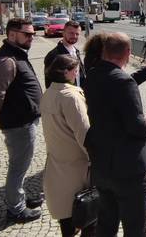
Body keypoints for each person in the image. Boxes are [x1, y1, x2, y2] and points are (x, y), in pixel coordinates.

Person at [83, 33, 146, 236]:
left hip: (101, 164)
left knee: (106, 223)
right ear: (128, 53)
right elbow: (136, 127)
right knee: (134, 227)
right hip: (127, 170)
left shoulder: (93, 75)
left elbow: (120, 84)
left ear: (104, 51)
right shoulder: (122, 82)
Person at [0, 18, 44, 223]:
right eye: (27, 34)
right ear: (11, 34)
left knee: (22, 165)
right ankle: (16, 209)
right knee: (18, 167)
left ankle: (20, 199)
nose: (31, 38)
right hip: (19, 124)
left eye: (32, 34)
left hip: (24, 120)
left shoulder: (16, 54)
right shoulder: (7, 60)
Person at [40, 55, 95, 237]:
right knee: (87, 216)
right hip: (77, 167)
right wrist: (96, 159)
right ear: (65, 72)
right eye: (75, 69)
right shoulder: (71, 96)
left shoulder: (48, 93)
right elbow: (84, 134)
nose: (77, 72)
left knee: (66, 218)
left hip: (57, 164)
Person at [44, 20, 86, 89]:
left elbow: (80, 75)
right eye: (71, 33)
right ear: (63, 33)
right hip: (64, 96)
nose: (74, 36)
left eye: (77, 34)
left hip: (77, 93)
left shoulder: (76, 52)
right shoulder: (54, 55)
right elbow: (49, 84)